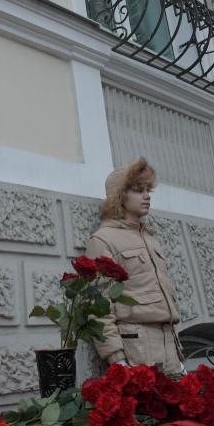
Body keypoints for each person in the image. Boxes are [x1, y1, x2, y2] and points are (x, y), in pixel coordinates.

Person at [85, 158, 185, 376]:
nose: (147, 196)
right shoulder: (103, 240)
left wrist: (178, 356)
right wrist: (117, 359)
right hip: (137, 351)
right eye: (139, 190)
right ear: (120, 196)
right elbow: (98, 306)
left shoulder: (149, 239)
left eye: (148, 190)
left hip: (170, 347)